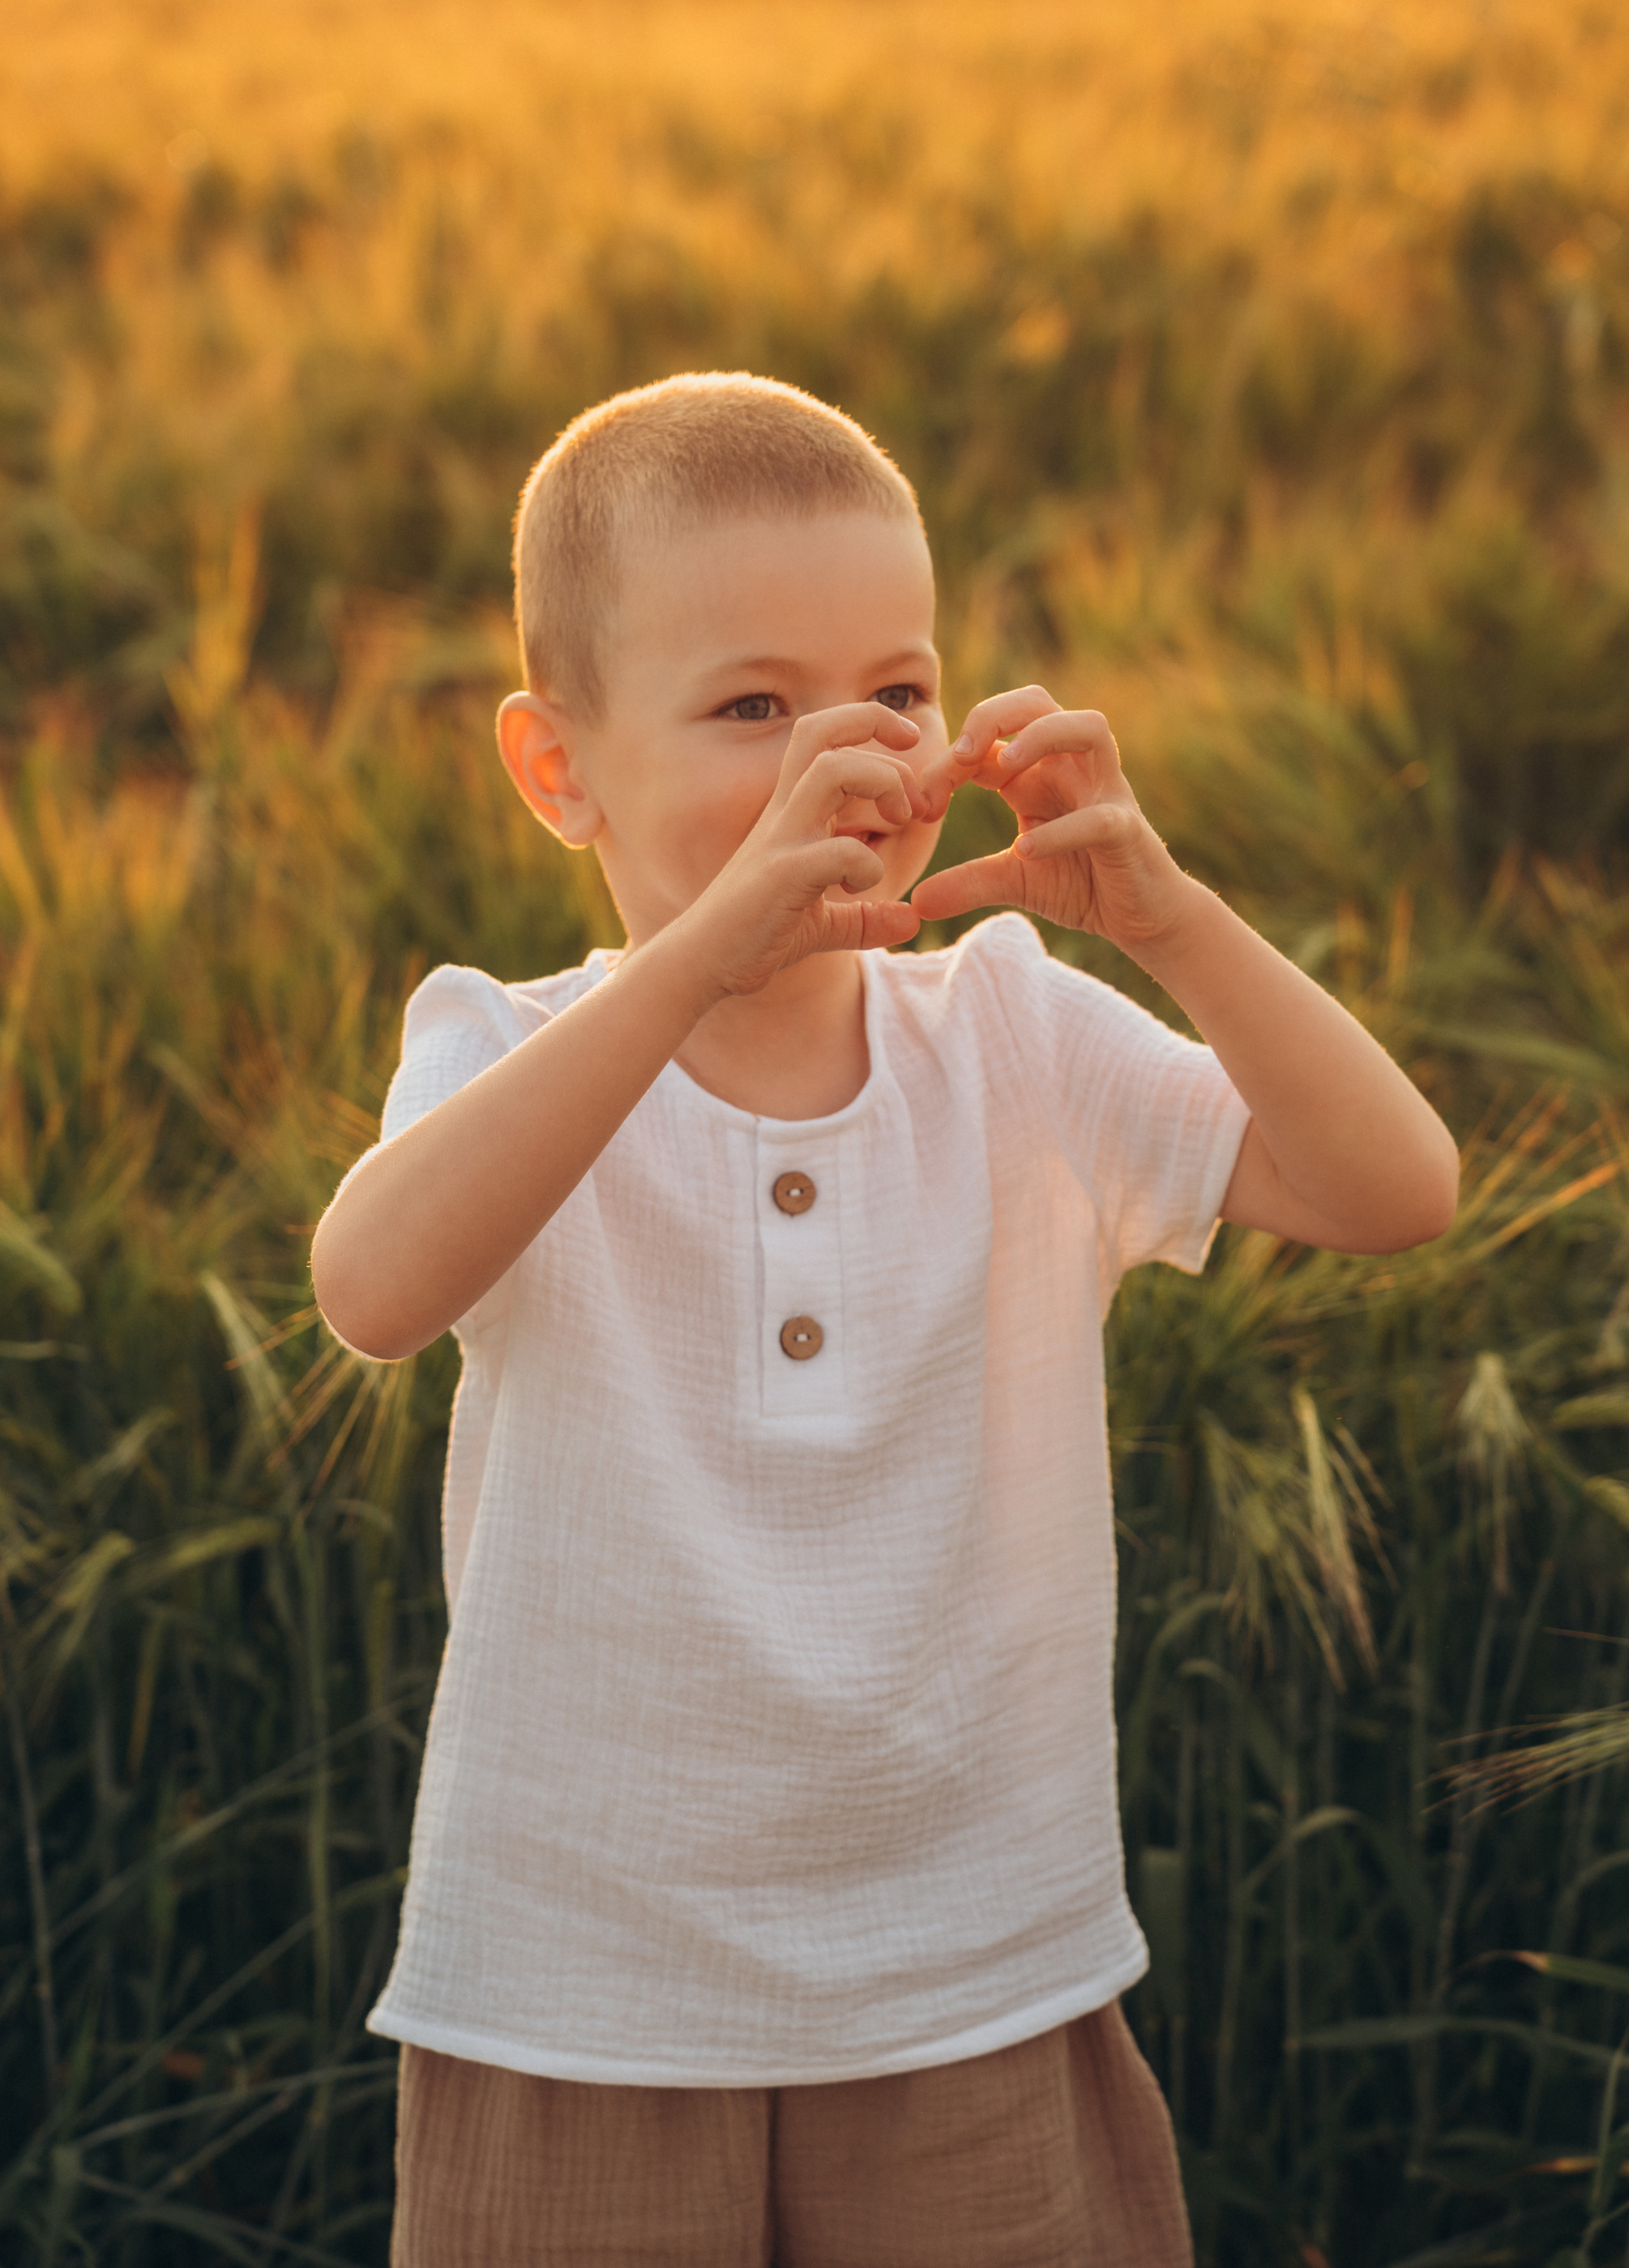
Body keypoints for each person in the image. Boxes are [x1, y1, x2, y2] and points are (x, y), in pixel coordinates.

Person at [311, 372, 1458, 2267]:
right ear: (558, 770)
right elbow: (370, 1290)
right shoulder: (514, 1049)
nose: (841, 757)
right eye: (753, 706)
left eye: (896, 695)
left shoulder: (1016, 1031)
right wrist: (693, 963)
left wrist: (1169, 921)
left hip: (975, 1978)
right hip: (584, 2003)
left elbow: (1394, 1188)